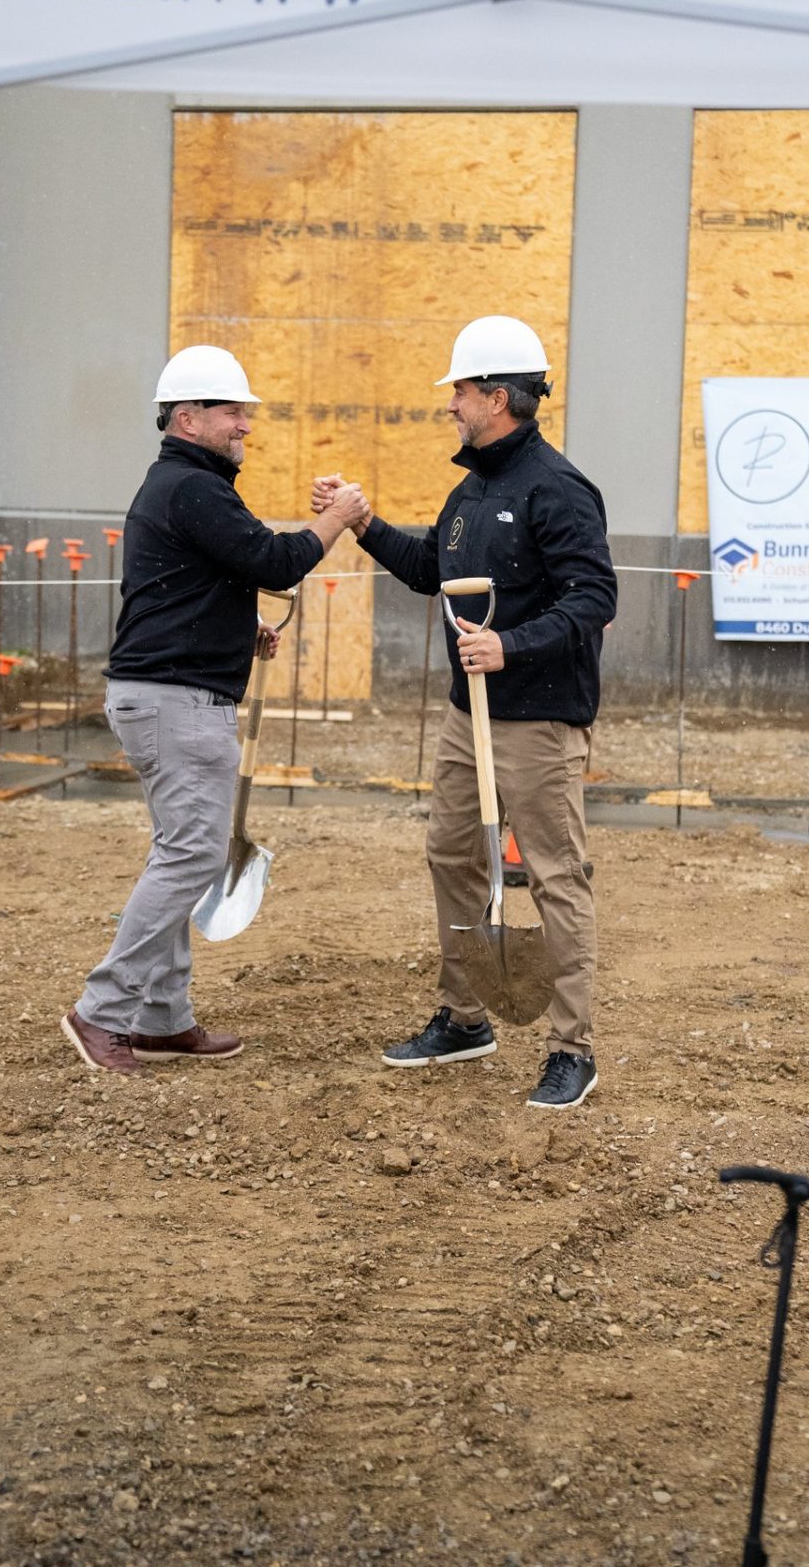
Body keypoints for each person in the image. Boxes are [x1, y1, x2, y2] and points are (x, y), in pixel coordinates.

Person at [313, 315, 617, 1109]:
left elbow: (596, 597)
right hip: (467, 716)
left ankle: (572, 1048)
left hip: (540, 719)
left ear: (498, 396)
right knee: (451, 854)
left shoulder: (559, 490)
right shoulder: (471, 490)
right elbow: (430, 569)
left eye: (460, 389)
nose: (450, 403)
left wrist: (509, 646)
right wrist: (364, 524)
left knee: (555, 874)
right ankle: (465, 1015)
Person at [62, 345, 368, 1076]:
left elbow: (195, 583)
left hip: (163, 693)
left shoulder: (181, 486)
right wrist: (340, 520)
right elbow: (272, 561)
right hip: (176, 703)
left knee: (181, 850)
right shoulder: (192, 489)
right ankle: (101, 1012)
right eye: (234, 411)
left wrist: (239, 631)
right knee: (194, 853)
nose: (246, 426)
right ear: (189, 416)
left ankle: (163, 1019)